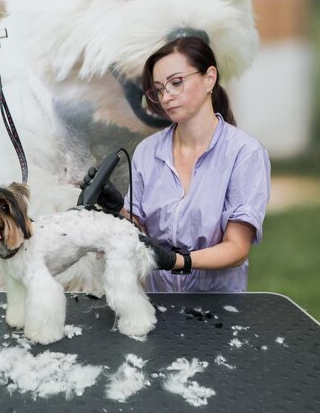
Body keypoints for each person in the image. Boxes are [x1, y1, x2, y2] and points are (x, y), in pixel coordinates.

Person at [83, 36, 270, 292]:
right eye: (159, 89)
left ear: (209, 78)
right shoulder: (147, 151)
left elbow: (237, 248)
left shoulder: (245, 153)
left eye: (177, 83)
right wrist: (116, 208)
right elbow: (141, 232)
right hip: (159, 303)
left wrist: (181, 262)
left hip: (219, 310)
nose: (166, 96)